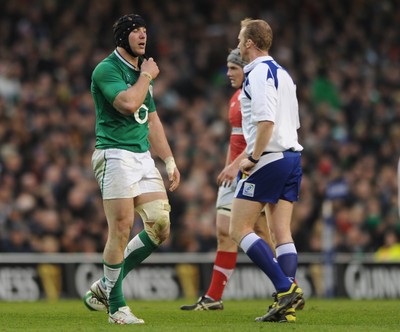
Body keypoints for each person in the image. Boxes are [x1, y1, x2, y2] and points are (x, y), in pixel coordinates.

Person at [82, 14, 180, 325]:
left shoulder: (140, 72)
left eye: (144, 30)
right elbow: (127, 103)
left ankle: (104, 286)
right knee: (122, 228)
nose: (142, 36)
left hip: (141, 157)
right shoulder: (107, 69)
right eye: (135, 31)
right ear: (122, 37)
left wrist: (168, 159)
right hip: (114, 154)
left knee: (160, 225)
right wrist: (148, 76)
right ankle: (117, 306)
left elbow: (151, 120)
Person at [180, 49, 274, 311]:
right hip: (234, 170)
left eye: (233, 68)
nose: (228, 73)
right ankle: (213, 297)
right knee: (224, 231)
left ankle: (287, 286)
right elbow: (235, 138)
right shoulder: (235, 97)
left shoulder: (255, 94)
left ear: (246, 69)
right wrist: (227, 166)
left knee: (263, 233)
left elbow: (258, 138)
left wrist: (235, 165)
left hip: (252, 168)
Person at [229, 18, 304, 323]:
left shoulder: (258, 73)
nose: (237, 42)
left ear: (249, 43)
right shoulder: (284, 74)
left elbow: (266, 122)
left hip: (269, 158)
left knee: (238, 228)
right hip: (292, 157)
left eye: (239, 38)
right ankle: (285, 308)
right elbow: (291, 123)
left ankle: (286, 288)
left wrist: (251, 157)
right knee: (281, 232)